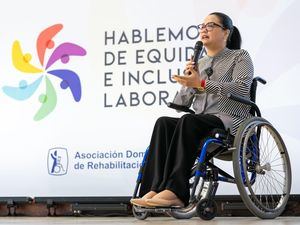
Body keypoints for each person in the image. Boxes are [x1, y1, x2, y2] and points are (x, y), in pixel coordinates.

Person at [130, 12, 254, 208]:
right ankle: (153, 189)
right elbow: (182, 104)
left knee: (189, 121)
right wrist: (189, 80)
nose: (204, 29)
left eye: (210, 25)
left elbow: (241, 88)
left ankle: (176, 192)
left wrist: (203, 83)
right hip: (201, 121)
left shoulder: (239, 56)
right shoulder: (201, 63)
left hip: (230, 120)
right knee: (163, 122)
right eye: (202, 26)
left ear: (226, 32)